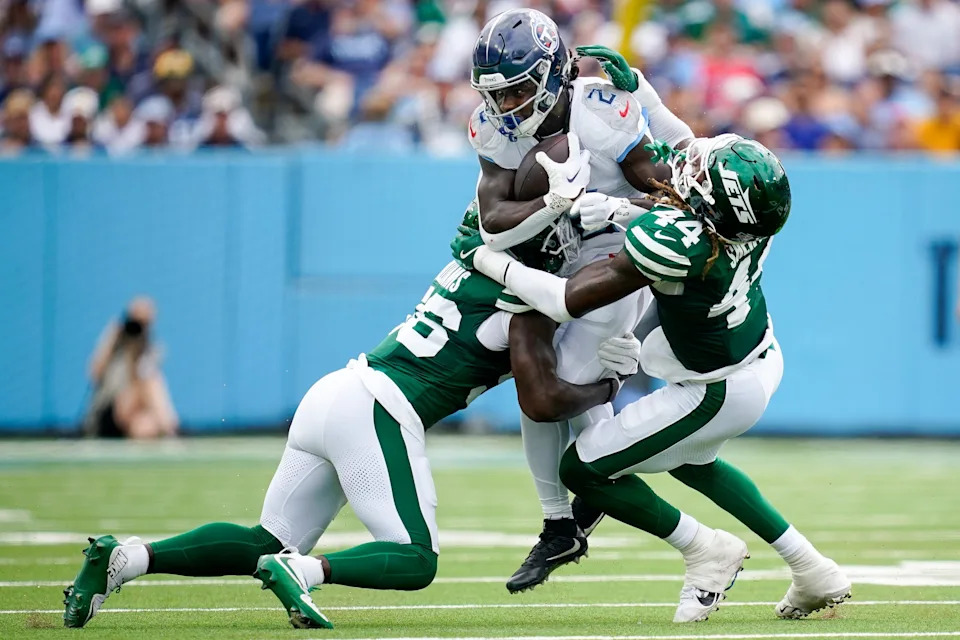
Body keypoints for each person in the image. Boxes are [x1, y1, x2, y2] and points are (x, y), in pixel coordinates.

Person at [62, 204, 642, 630]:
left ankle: (125, 558)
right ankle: (308, 573)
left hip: (335, 391)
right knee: (415, 560)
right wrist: (607, 384)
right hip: (378, 408)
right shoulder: (524, 301)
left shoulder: (472, 267)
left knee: (266, 538)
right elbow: (541, 399)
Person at [453, 133, 852, 622]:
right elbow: (691, 227)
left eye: (701, 174)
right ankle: (811, 568)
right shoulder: (750, 222)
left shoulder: (678, 241)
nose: (689, 167)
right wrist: (621, 210)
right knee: (688, 461)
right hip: (758, 357)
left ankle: (706, 550)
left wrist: (487, 258)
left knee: (583, 470)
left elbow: (565, 299)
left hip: (715, 390)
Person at [465, 8, 695, 593]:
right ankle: (560, 519)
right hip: (554, 250)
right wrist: (554, 205)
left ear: (549, 73)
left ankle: (589, 483)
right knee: (531, 380)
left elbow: (682, 198)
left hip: (618, 257)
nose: (505, 105)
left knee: (554, 386)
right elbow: (494, 218)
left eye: (516, 87)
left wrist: (620, 207)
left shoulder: (601, 109)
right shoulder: (493, 126)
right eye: (494, 92)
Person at [82, 296, 178, 439]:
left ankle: (167, 430)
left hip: (135, 414)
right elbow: (94, 374)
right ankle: (172, 430)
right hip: (109, 411)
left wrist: (140, 353)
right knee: (150, 382)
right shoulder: (114, 346)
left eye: (144, 323)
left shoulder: (150, 351)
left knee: (145, 426)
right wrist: (110, 339)